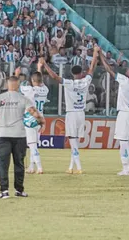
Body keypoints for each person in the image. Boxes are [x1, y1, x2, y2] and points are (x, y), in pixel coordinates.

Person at [0, 76, 44, 199]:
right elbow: (34, 112)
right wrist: (41, 122)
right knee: (19, 163)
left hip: (3, 135)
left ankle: (4, 191)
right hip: (19, 135)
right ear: (18, 86)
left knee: (3, 164)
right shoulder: (23, 99)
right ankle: (19, 190)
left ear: (7, 85)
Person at [41, 45, 100, 174]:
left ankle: (79, 167)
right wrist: (95, 53)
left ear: (73, 74)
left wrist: (45, 64)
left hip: (72, 114)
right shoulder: (86, 81)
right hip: (81, 113)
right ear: (81, 73)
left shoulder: (69, 83)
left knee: (73, 141)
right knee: (75, 142)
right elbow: (92, 68)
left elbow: (55, 77)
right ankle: (71, 166)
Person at [19, 59, 49, 174]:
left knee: (32, 145)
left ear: (32, 80)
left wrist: (17, 75)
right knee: (34, 144)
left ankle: (39, 167)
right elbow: (39, 80)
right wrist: (39, 68)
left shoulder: (30, 90)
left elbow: (19, 86)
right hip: (41, 119)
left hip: (31, 118)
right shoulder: (45, 89)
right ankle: (31, 166)